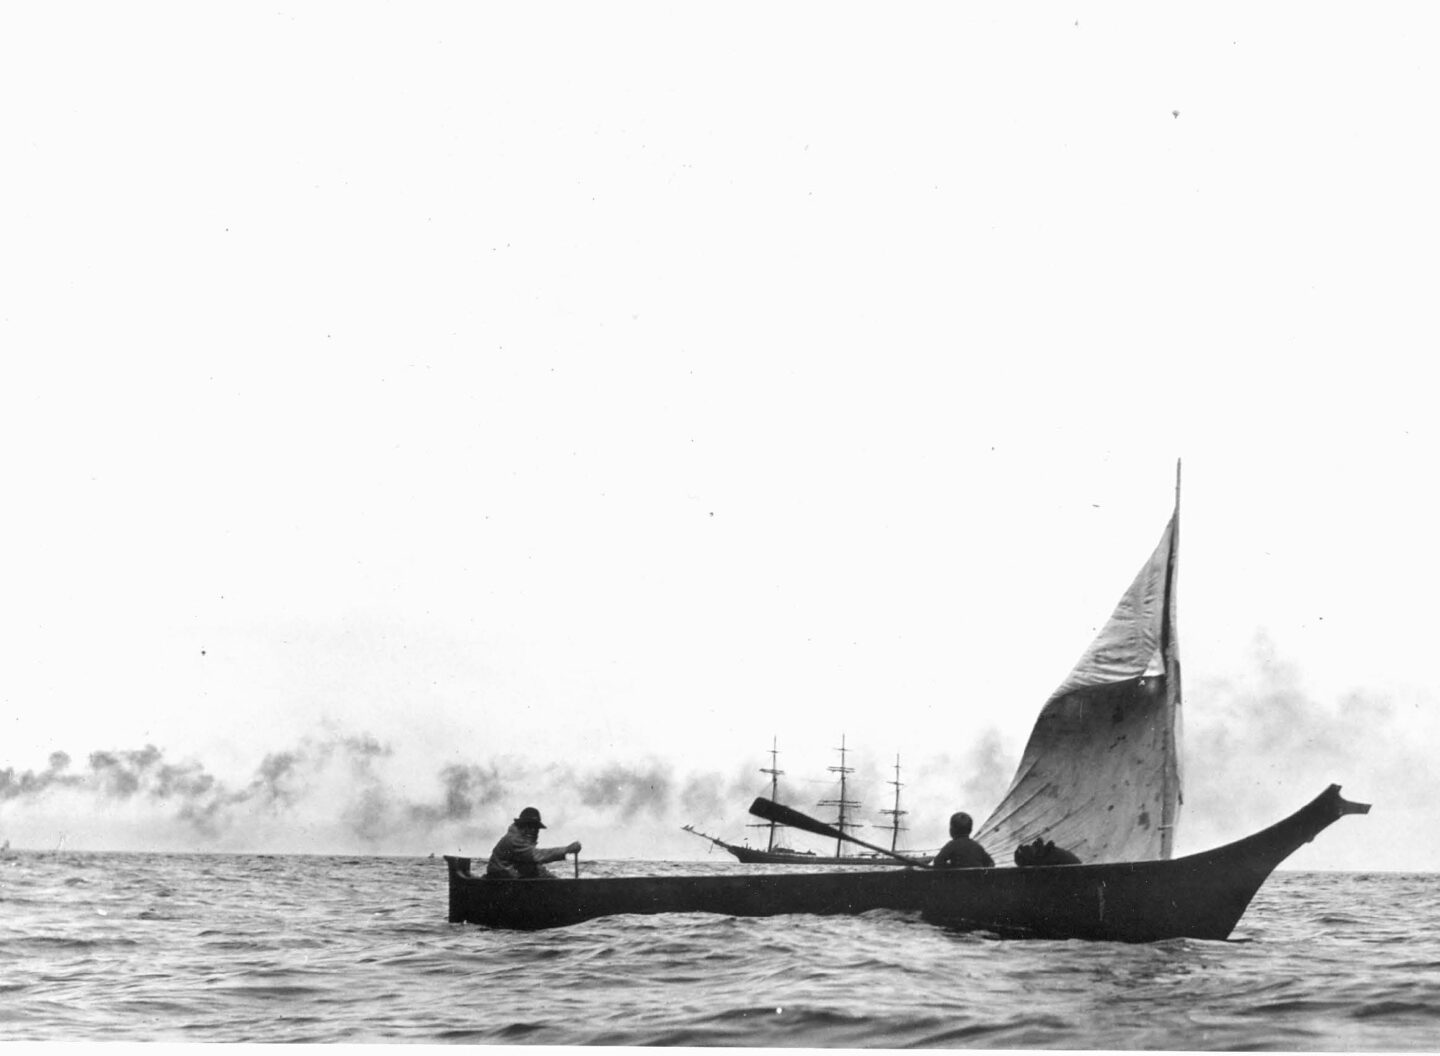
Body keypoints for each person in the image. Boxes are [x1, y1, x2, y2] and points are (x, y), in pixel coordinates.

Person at [485, 806, 581, 879]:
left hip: (511, 880)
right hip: (499, 883)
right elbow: (536, 855)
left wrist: (558, 882)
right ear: (520, 826)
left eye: (536, 828)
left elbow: (534, 867)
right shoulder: (513, 840)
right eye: (529, 826)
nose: (533, 830)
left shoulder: (523, 842)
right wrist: (566, 850)